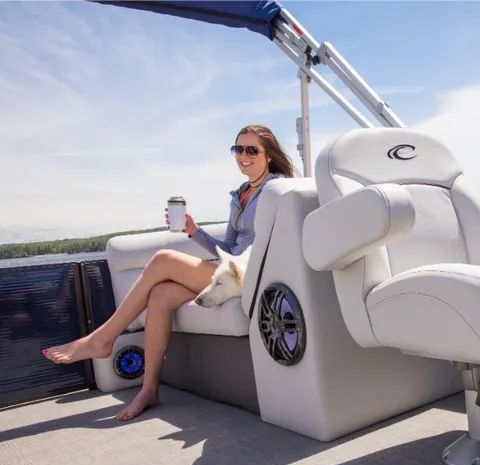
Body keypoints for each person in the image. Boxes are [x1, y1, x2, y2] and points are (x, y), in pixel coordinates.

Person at [42, 124, 295, 421]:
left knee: (163, 259)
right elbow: (226, 246)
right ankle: (149, 389)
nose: (243, 156)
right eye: (238, 149)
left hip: (250, 275)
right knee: (160, 295)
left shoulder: (276, 189)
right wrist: (194, 231)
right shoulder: (239, 195)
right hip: (229, 269)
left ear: (269, 155)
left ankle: (102, 339)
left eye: (252, 150)